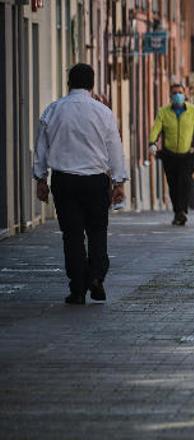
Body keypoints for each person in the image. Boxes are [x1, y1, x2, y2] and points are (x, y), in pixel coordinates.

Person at [33, 63, 128, 305]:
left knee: (72, 235)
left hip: (64, 181)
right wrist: (118, 182)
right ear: (92, 84)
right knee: (97, 231)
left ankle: (77, 288)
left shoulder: (53, 110)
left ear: (69, 83)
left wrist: (41, 178)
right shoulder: (103, 112)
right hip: (95, 181)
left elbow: (41, 148)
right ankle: (96, 275)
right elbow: (115, 149)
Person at [149, 83, 194, 226]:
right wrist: (152, 143)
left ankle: (182, 211)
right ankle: (178, 211)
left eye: (180, 92)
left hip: (187, 155)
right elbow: (156, 128)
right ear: (170, 96)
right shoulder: (163, 112)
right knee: (173, 185)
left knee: (185, 183)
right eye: (174, 93)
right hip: (170, 155)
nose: (177, 95)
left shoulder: (193, 111)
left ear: (185, 94)